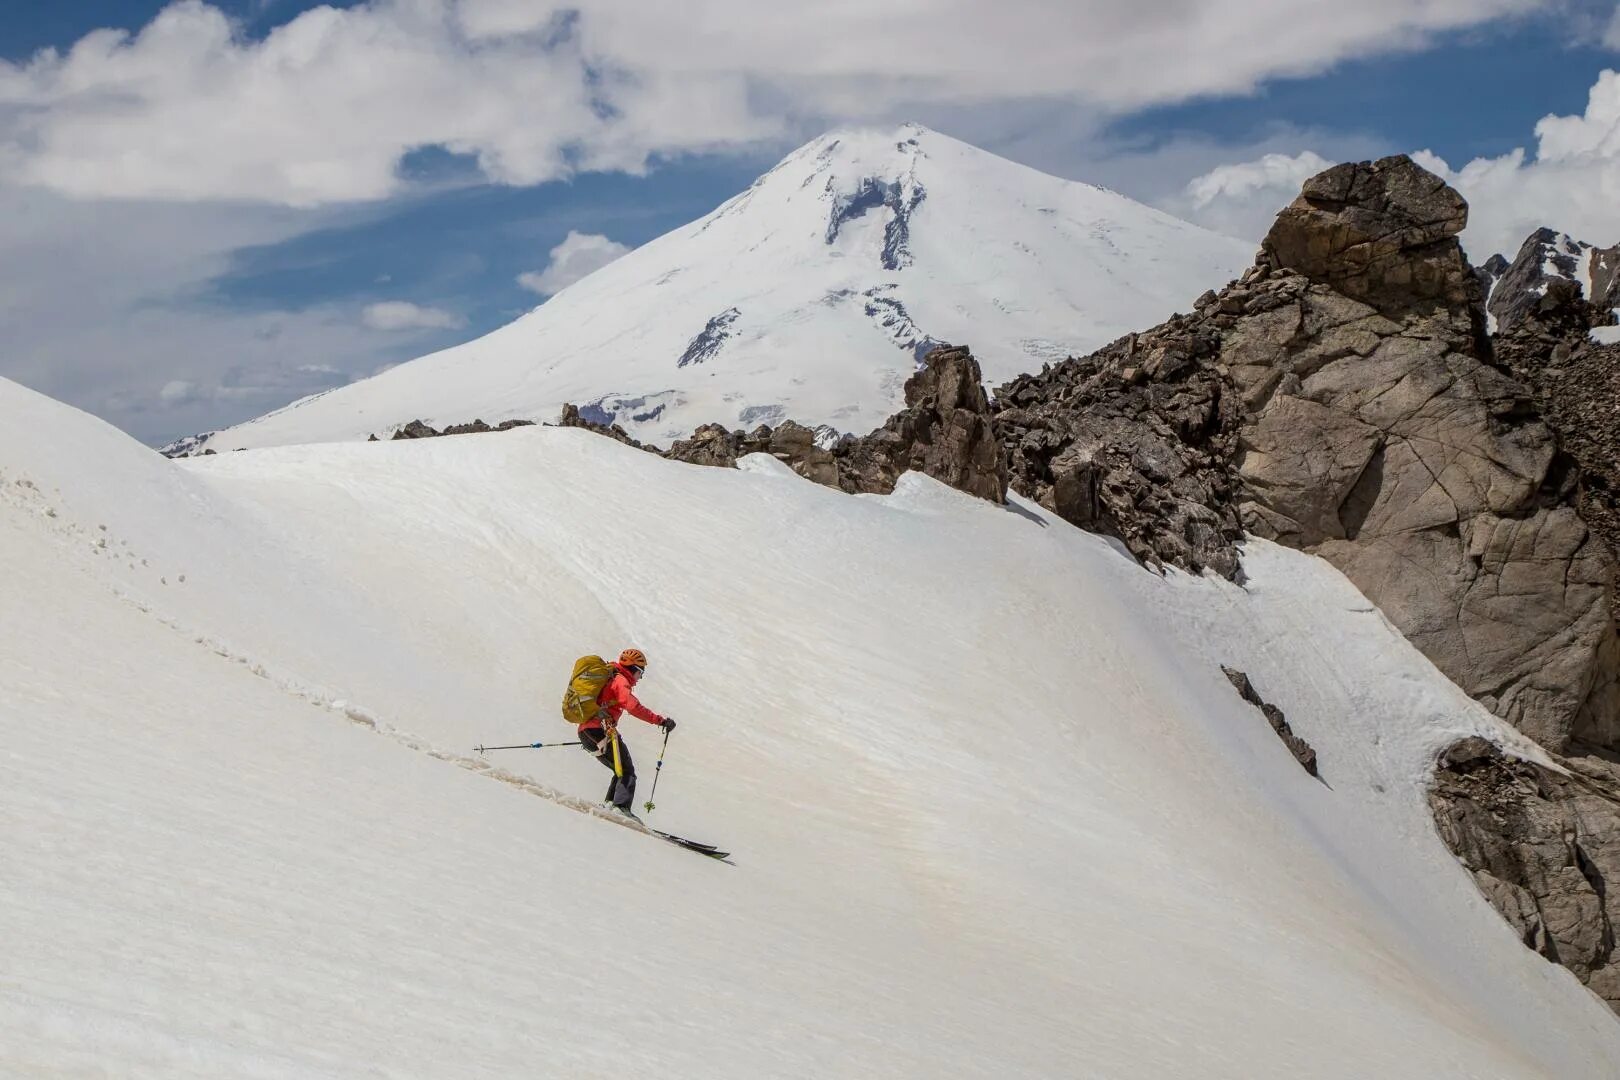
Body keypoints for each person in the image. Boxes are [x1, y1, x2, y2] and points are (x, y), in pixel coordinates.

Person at [579, 648, 675, 817]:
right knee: (627, 770)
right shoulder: (620, 680)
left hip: (589, 731)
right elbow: (633, 706)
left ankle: (610, 806)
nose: (639, 679)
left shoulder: (612, 676)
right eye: (641, 673)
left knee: (620, 769)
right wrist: (660, 720)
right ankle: (620, 808)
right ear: (634, 669)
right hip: (597, 731)